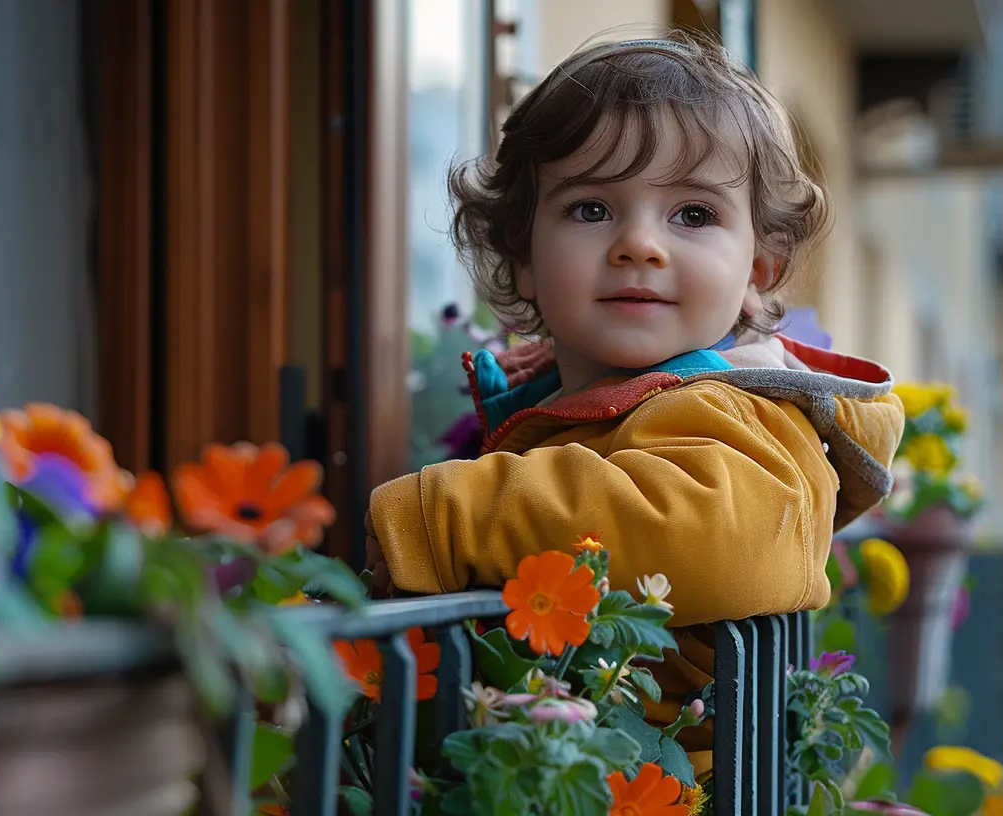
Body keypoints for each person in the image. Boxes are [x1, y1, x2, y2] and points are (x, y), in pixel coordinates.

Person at [365, 32, 905, 765]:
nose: (639, 245)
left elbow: (716, 538)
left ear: (758, 269)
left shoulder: (741, 411)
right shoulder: (580, 405)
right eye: (591, 209)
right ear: (523, 258)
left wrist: (444, 516)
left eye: (692, 215)